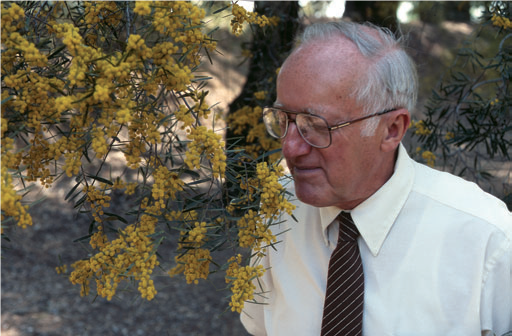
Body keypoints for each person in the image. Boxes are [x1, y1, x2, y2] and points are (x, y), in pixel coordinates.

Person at [240, 21, 512, 336]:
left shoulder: (488, 241)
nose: (289, 146)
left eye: (315, 125)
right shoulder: (279, 210)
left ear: (392, 130)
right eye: (284, 119)